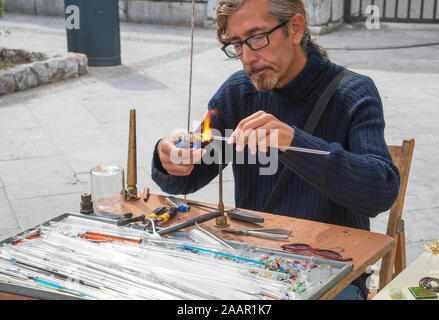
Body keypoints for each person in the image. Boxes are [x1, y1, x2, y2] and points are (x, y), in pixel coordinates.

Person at [151, 0, 400, 300]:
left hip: (331, 270)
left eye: (257, 38)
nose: (247, 59)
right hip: (251, 264)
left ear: (295, 28)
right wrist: (169, 158)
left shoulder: (352, 93)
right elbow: (188, 177)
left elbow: (380, 191)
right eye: (238, 45)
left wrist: (293, 142)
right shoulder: (239, 92)